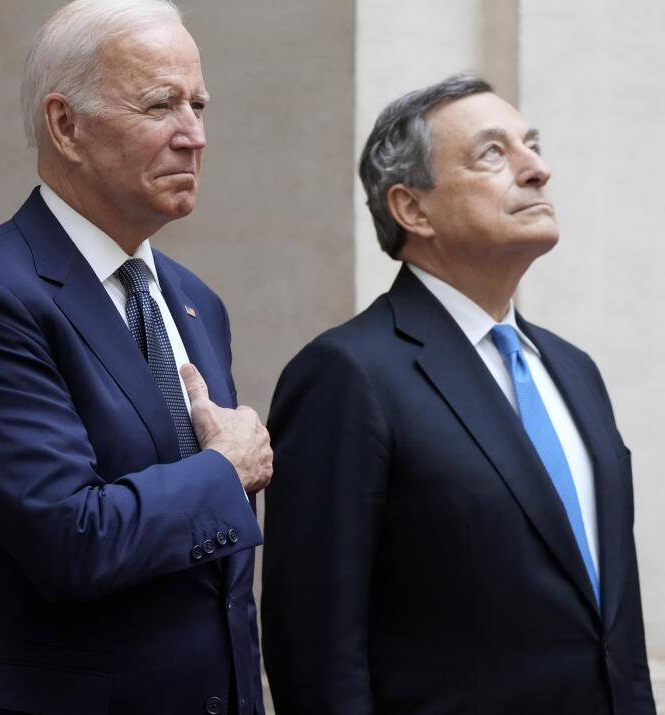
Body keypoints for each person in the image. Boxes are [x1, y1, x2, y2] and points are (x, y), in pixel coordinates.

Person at [0, 0, 273, 715]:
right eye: (160, 106)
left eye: (199, 107)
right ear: (65, 124)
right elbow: (72, 538)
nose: (192, 135)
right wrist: (222, 470)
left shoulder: (193, 298)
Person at [261, 74, 656, 713]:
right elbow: (316, 650)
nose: (538, 170)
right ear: (412, 209)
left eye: (533, 146)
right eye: (494, 154)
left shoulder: (574, 370)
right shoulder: (347, 374)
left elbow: (616, 624)